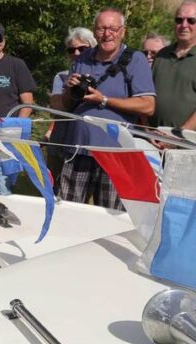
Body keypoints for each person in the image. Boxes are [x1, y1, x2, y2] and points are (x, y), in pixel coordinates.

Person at [58, 7, 155, 209]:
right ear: (94, 32)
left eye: (112, 28)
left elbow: (148, 106)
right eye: (101, 29)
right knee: (67, 211)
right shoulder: (82, 58)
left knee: (111, 216)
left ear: (122, 32)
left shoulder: (135, 59)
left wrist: (104, 100)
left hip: (115, 153)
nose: (107, 34)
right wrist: (70, 88)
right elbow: (67, 104)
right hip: (78, 147)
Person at [0, 20, 36, 195]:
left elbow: (27, 104)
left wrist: (12, 134)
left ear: (4, 41)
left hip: (5, 142)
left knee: (3, 191)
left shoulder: (16, 65)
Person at [47, 27, 96, 184]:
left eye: (82, 48)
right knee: (53, 189)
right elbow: (55, 107)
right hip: (60, 144)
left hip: (88, 148)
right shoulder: (61, 77)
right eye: (71, 50)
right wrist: (69, 91)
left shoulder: (101, 78)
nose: (76, 53)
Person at [151, 1, 196, 133]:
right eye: (179, 20)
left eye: (191, 20)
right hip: (153, 140)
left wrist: (177, 135)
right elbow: (146, 94)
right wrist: (147, 130)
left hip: (188, 146)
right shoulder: (161, 55)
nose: (184, 25)